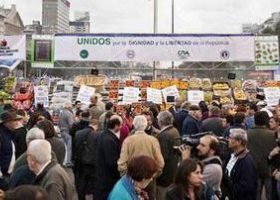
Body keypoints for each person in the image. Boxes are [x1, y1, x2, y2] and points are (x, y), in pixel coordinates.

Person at [118, 115, 164, 199]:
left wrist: (127, 178)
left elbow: (121, 163)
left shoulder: (128, 141)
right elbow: (160, 163)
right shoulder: (153, 140)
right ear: (145, 125)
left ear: (134, 125)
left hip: (132, 179)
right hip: (149, 178)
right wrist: (153, 175)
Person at [223, 128, 258, 200]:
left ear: (238, 142)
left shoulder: (247, 162)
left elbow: (245, 187)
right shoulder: (230, 155)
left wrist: (228, 185)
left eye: (230, 138)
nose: (227, 140)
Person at [247, 111, 275, 200]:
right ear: (267, 120)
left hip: (253, 168)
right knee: (270, 195)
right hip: (269, 168)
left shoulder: (247, 133)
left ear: (255, 120)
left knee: (255, 195)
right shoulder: (272, 134)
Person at [95, 115, 123, 200]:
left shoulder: (102, 135)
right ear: (116, 125)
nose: (121, 127)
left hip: (100, 174)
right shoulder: (110, 140)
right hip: (108, 178)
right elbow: (111, 162)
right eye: (120, 125)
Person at [156, 111, 180, 200]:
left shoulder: (164, 135)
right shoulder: (174, 130)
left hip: (165, 176)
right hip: (172, 172)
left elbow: (162, 157)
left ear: (161, 122)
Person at [74, 118, 99, 200]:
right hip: (93, 163)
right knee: (95, 185)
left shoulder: (78, 133)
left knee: (81, 184)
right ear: (96, 126)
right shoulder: (97, 135)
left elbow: (75, 148)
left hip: (80, 163)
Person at [0, 110, 22, 190]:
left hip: (8, 174)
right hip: (3, 176)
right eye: (14, 120)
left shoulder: (10, 133)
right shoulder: (2, 135)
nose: (17, 123)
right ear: (7, 122)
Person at [59, 101, 74, 167]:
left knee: (64, 147)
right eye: (71, 106)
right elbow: (71, 124)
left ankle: (63, 161)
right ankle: (68, 162)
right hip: (67, 132)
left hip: (62, 131)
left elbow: (59, 122)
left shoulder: (61, 113)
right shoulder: (69, 113)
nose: (72, 107)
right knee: (69, 147)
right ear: (68, 107)